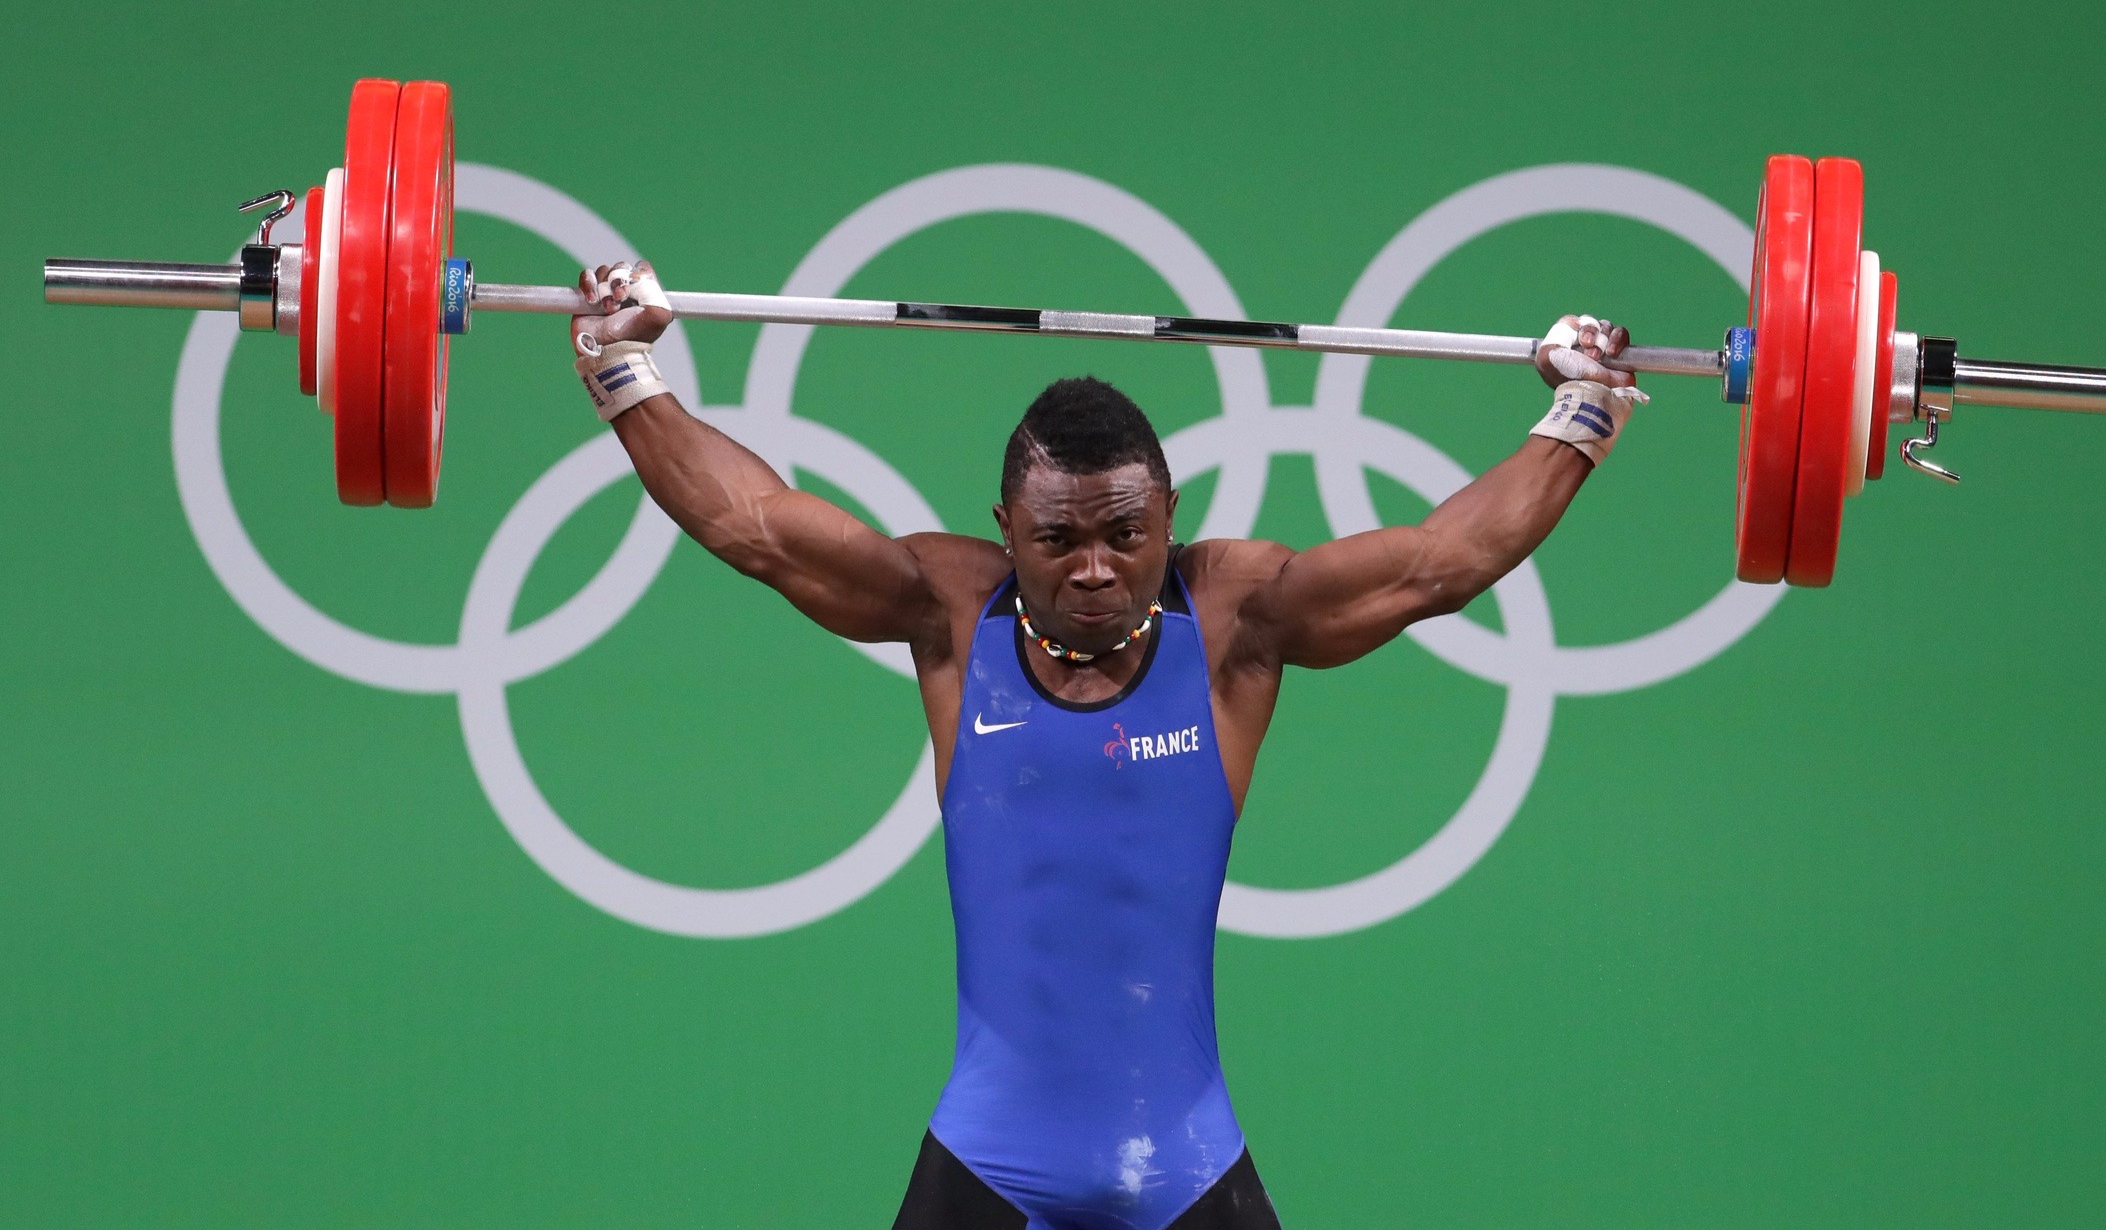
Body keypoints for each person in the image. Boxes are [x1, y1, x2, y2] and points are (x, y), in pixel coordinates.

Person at [569, 261, 1646, 1230]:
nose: (1095, 567)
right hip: (987, 1163)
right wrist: (626, 370)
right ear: (1007, 529)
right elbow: (755, 526)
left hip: (1189, 1167)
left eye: (1126, 534)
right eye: (1059, 539)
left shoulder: (1236, 620)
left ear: (1170, 515)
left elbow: (1438, 563)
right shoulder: (950, 610)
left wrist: (1582, 411)